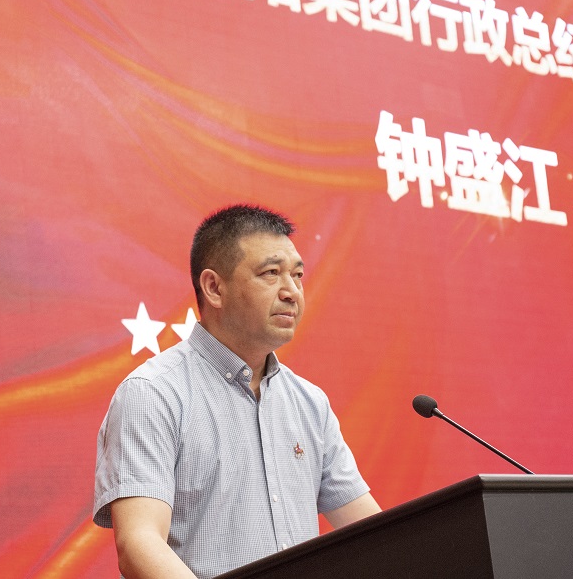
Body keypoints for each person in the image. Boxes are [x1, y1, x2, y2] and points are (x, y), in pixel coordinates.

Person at [93, 204, 381, 579]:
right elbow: (139, 545)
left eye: (297, 275)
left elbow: (374, 534)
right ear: (214, 287)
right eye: (271, 273)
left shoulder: (310, 403)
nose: (292, 292)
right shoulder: (153, 394)